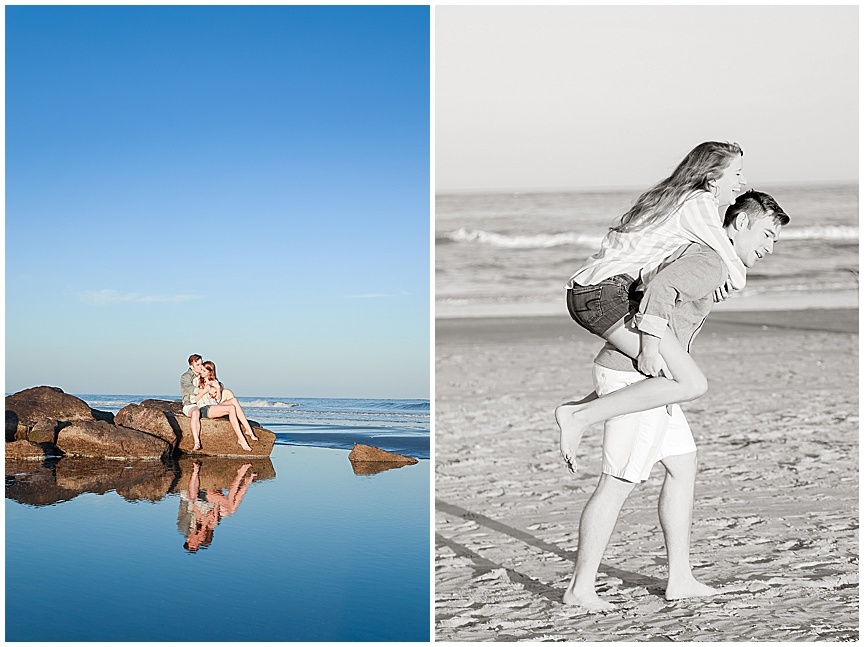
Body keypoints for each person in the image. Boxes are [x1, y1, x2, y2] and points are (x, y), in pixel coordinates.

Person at [563, 190, 789, 611]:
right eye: (767, 234)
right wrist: (651, 348)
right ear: (740, 224)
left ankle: (680, 577)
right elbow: (661, 289)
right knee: (617, 482)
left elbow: (659, 284)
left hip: (652, 376)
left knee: (683, 466)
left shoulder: (708, 257)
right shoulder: (711, 260)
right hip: (640, 375)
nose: (770, 246)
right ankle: (580, 587)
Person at [557, 142, 751, 472]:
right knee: (689, 382)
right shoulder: (699, 202)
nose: (742, 181)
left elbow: (655, 267)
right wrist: (737, 280)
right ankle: (577, 416)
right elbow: (725, 253)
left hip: (594, 291)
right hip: (601, 293)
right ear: (712, 177)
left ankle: (579, 409)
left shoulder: (675, 199)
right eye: (736, 172)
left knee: (657, 374)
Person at [193, 361, 255, 452]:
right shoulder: (197, 381)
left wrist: (217, 388)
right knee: (231, 408)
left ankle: (248, 429)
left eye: (204, 371)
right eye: (201, 370)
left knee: (233, 401)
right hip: (204, 408)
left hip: (214, 406)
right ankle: (241, 439)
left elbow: (217, 399)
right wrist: (204, 391)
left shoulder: (214, 382)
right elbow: (195, 399)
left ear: (210, 372)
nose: (201, 372)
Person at [180, 354, 207, 451]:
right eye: (197, 365)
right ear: (191, 366)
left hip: (204, 403)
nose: (200, 366)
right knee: (196, 412)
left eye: (201, 364)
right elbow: (190, 388)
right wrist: (203, 390)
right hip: (190, 404)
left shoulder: (204, 373)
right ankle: (197, 442)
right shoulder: (185, 377)